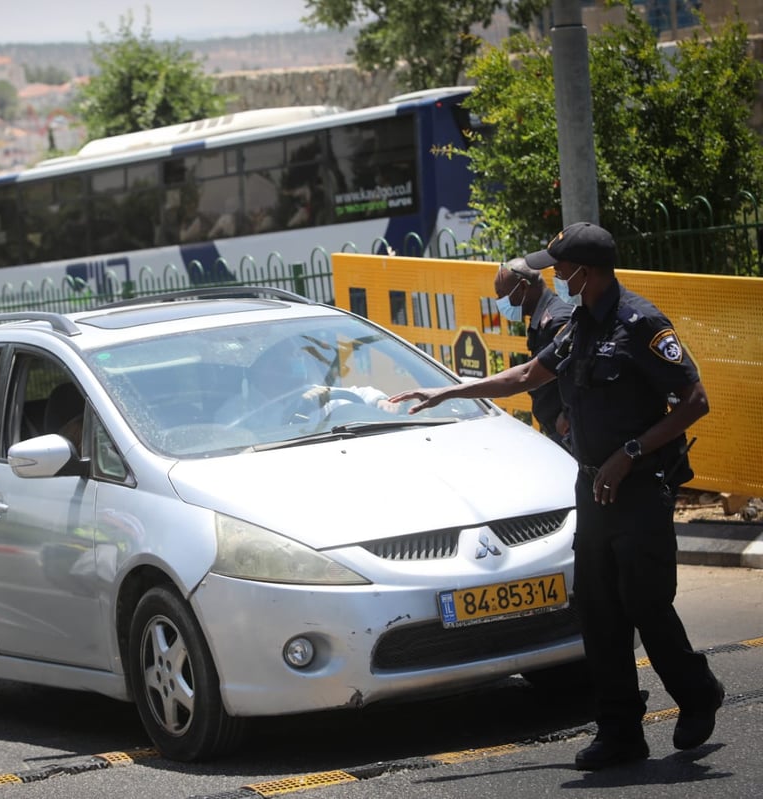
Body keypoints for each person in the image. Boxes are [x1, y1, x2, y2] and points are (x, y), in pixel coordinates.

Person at [390, 222, 723, 771]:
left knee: (645, 604)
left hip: (639, 488)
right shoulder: (579, 326)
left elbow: (695, 400)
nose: (555, 274)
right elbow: (528, 373)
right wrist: (448, 389)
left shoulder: (640, 323)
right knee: (597, 611)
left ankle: (697, 693)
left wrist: (630, 452)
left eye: (561, 267)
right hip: (594, 487)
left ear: (584, 272)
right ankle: (620, 732)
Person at [216, 337, 401, 429]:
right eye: (279, 360)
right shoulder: (237, 413)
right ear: (258, 370)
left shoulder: (314, 393)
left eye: (295, 356)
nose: (290, 365)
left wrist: (380, 401)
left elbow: (359, 394)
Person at [494, 257, 573, 447]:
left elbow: (578, 371)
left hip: (568, 431)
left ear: (522, 287)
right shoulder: (541, 319)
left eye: (502, 295)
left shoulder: (556, 320)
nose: (499, 302)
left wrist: (569, 413)